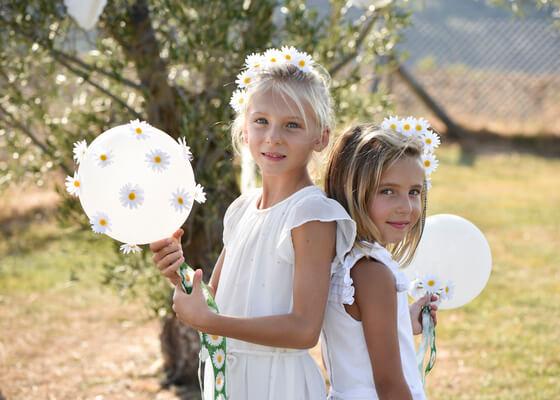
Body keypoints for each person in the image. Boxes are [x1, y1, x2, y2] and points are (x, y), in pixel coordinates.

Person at [149, 46, 356, 400]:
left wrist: (211, 323)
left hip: (279, 383)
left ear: (320, 137)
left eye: (292, 125)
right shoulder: (242, 208)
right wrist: (180, 273)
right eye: (261, 121)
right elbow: (215, 301)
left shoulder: (311, 214)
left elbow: (304, 329)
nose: (273, 137)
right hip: (231, 377)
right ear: (244, 130)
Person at [321, 117, 441, 400]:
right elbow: (389, 385)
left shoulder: (344, 260)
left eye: (414, 192)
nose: (407, 207)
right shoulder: (373, 273)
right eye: (388, 191)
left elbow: (349, 346)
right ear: (355, 193)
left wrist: (402, 321)